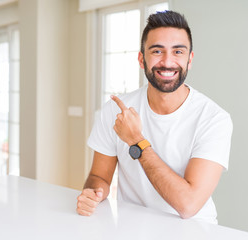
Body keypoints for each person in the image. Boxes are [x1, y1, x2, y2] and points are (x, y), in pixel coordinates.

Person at [76, 10, 233, 224]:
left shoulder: (214, 119)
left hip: (194, 232)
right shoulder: (114, 111)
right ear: (142, 59)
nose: (167, 62)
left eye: (178, 52)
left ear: (190, 59)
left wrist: (136, 141)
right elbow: (99, 177)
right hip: (131, 228)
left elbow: (188, 205)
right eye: (157, 51)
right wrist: (93, 194)